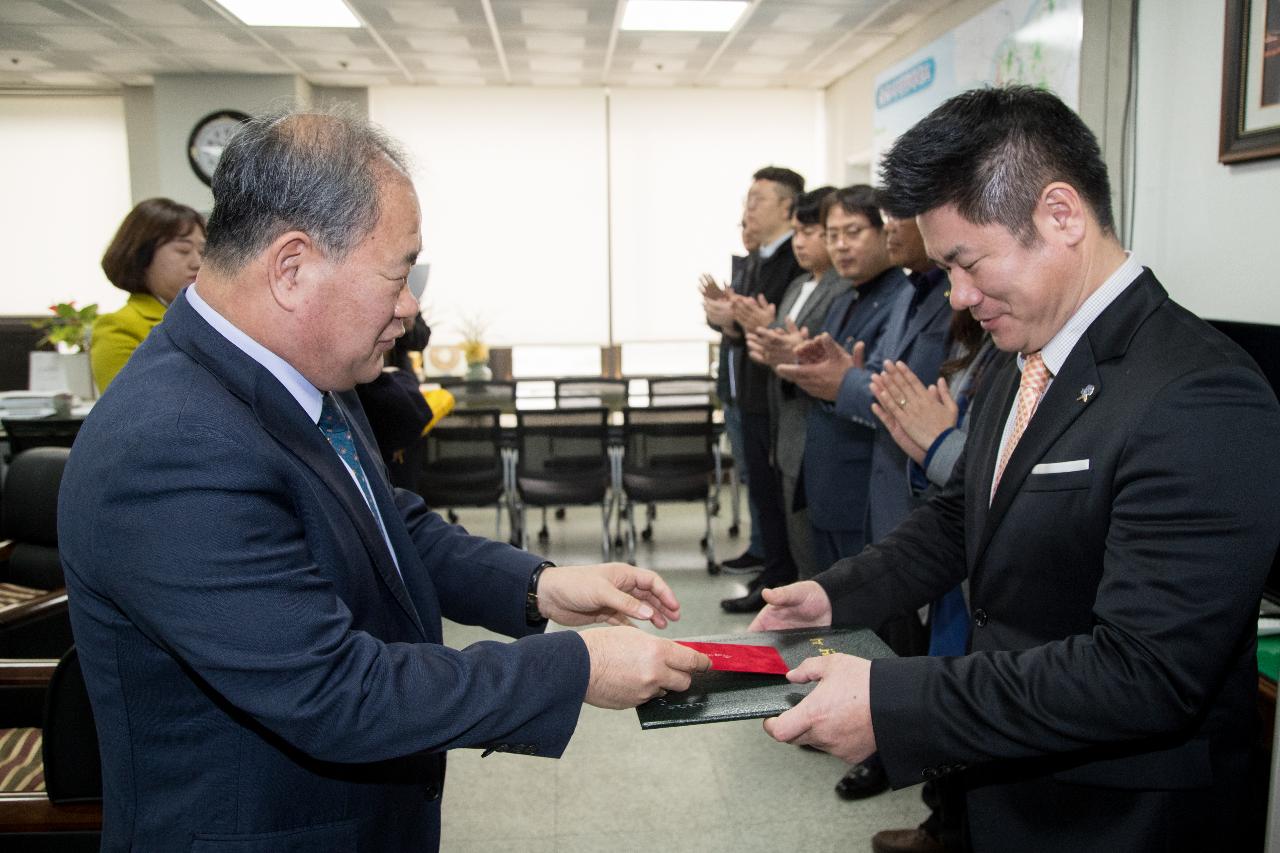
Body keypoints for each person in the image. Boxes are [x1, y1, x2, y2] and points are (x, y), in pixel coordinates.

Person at [58, 108, 709, 852]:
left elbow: (387, 524)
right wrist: (575, 665)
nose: (412, 304)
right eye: (398, 273)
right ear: (293, 267)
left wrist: (540, 587)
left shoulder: (303, 367)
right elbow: (334, 692)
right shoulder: (173, 443)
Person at [751, 85, 1280, 852]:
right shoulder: (1022, 351)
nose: (960, 296)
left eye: (967, 263)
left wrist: (896, 702)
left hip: (1122, 818)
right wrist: (836, 594)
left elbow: (1143, 672)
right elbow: (965, 511)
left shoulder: (1202, 396)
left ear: (1061, 215)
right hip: (1010, 783)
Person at [745, 185, 849, 582]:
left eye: (810, 233)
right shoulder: (797, 285)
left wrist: (777, 340)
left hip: (816, 430)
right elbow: (780, 342)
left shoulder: (841, 288)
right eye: (799, 233)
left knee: (822, 560)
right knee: (800, 546)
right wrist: (762, 335)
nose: (800, 243)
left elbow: (815, 350)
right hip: (785, 428)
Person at [701, 217, 766, 572]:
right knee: (747, 474)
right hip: (733, 391)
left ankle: (761, 548)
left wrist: (729, 314)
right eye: (741, 224)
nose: (747, 228)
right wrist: (716, 310)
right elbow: (729, 327)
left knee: (757, 477)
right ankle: (758, 546)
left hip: (754, 393)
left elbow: (744, 326)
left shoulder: (767, 272)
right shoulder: (745, 268)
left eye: (751, 220)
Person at [92, 197, 205, 391]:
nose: (198, 262)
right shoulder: (118, 327)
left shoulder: (207, 318)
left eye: (203, 251)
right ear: (142, 256)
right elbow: (126, 407)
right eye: (183, 250)